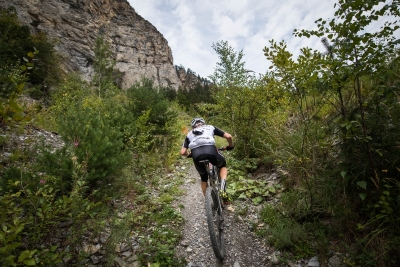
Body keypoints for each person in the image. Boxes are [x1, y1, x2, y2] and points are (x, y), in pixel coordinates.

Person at [180, 117, 234, 197]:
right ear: (203, 124)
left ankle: (208, 200)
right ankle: (223, 189)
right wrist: (230, 146)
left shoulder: (189, 134)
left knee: (203, 178)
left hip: (196, 155)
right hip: (211, 151)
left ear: (193, 126)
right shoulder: (210, 127)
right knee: (222, 165)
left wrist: (189, 154)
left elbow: (183, 152)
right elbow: (229, 136)